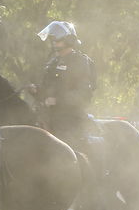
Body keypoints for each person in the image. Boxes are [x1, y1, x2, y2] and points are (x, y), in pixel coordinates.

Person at [29, 21, 95, 152]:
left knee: (63, 154)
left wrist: (58, 101)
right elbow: (48, 92)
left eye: (57, 39)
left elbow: (83, 95)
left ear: (69, 40)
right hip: (48, 117)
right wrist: (36, 91)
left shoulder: (79, 61)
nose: (54, 43)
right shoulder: (53, 62)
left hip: (70, 120)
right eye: (52, 39)